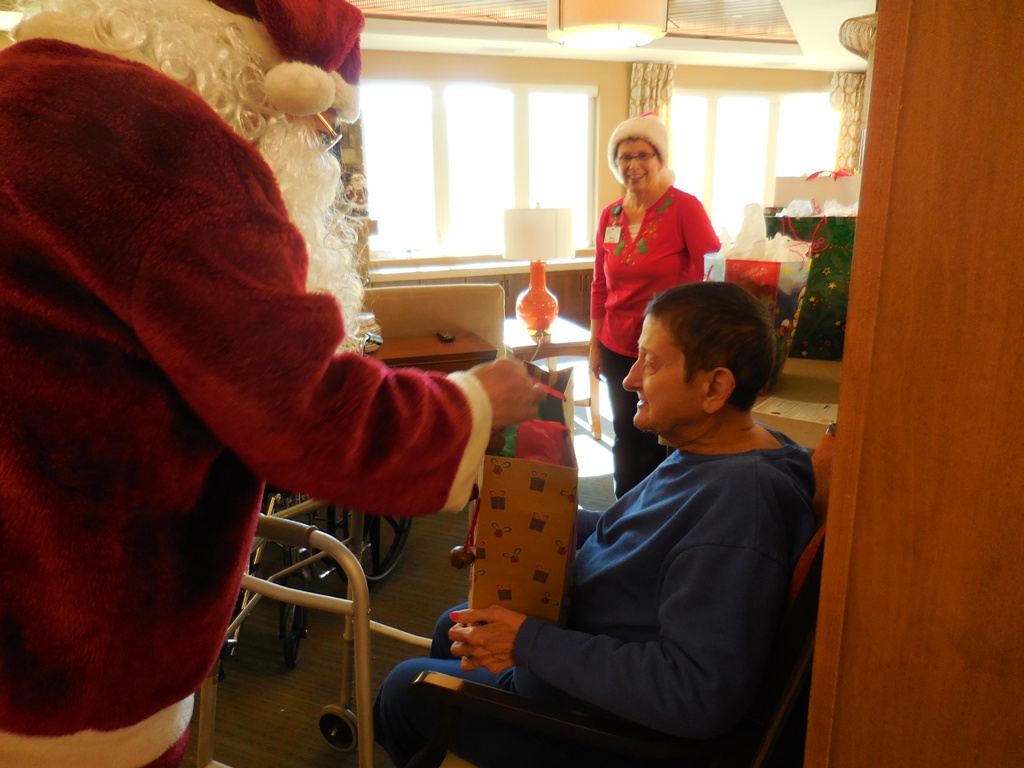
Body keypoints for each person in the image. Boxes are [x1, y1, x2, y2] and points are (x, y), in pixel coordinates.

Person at [0, 1, 546, 766]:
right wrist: (476, 402)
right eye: (320, 124)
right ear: (267, 77)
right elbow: (304, 410)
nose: (319, 145)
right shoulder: (168, 146)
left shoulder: (24, 91)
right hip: (63, 637)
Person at [375, 281, 819, 768]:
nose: (629, 380)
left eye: (651, 363)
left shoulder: (738, 512)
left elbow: (696, 692)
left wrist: (528, 642)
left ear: (715, 388)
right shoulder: (714, 448)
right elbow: (630, 534)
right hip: (579, 665)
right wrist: (520, 511)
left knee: (405, 691)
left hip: (605, 729)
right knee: (454, 626)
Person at [590, 111, 721, 498]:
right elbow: (599, 284)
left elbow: (712, 274)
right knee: (626, 432)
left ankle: (661, 511)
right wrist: (594, 343)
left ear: (660, 159)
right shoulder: (610, 215)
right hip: (617, 344)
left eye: (643, 155)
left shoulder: (684, 207)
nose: (633, 165)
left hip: (668, 347)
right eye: (624, 157)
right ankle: (624, 511)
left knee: (663, 434)